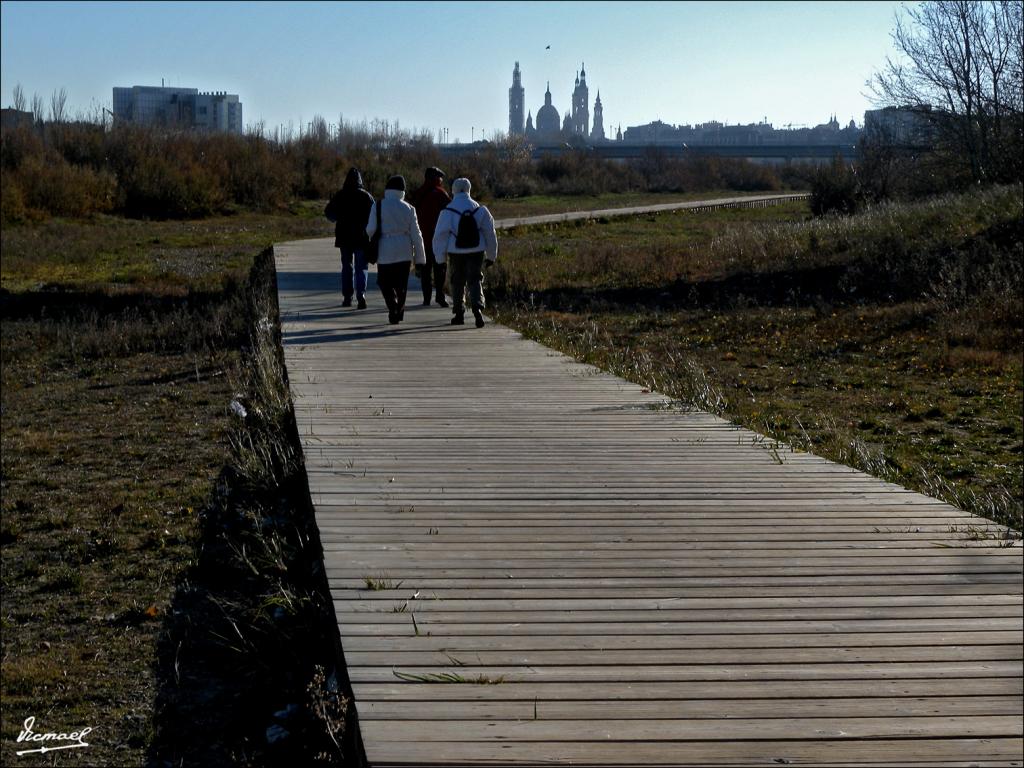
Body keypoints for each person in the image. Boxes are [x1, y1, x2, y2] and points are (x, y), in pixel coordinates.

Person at [432, 177, 498, 328]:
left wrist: (440, 258)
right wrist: (492, 255)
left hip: (456, 252)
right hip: (477, 250)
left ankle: (459, 313)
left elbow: (440, 236)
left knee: (457, 281)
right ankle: (477, 311)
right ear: (469, 190)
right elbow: (490, 234)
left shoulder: (447, 211)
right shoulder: (481, 210)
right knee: (475, 279)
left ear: (453, 190)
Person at [365, 175, 426, 325]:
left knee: (384, 282)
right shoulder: (409, 208)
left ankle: (392, 306)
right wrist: (420, 259)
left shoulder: (378, 206)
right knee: (401, 284)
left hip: (384, 250)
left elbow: (370, 229)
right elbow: (417, 235)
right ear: (402, 191)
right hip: (404, 251)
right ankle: (400, 309)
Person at [324, 167, 374, 308]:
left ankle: (347, 297)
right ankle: (361, 295)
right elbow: (374, 215)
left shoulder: (340, 195)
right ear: (360, 180)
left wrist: (338, 218)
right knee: (361, 267)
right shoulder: (366, 196)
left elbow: (329, 213)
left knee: (347, 266)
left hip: (344, 237)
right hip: (361, 237)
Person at [406, 167, 452, 307]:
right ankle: (439, 295)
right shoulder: (441, 194)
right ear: (434, 178)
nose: (441, 180)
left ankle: (426, 298)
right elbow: (451, 212)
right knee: (440, 268)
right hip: (438, 239)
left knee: (425, 270)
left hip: (423, 238)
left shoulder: (418, 193)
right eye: (439, 177)